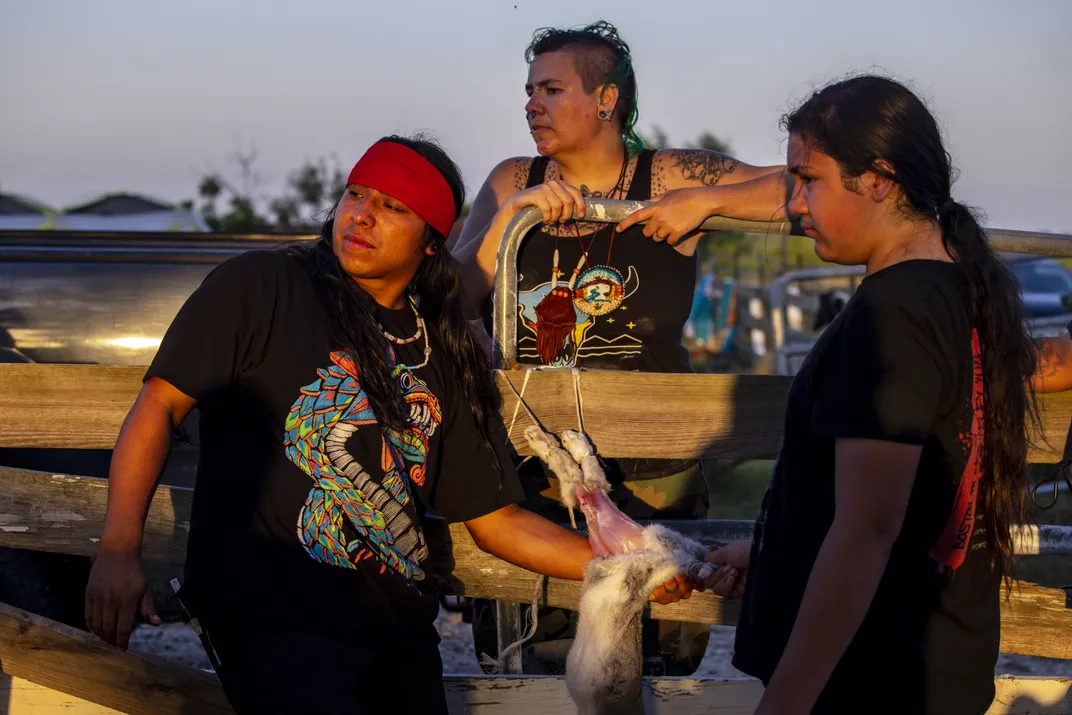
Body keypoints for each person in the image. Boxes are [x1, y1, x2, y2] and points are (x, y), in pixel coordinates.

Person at [83, 134, 693, 715]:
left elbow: (496, 521)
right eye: (356, 194)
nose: (361, 215)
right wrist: (117, 550)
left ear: (432, 240)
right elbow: (158, 407)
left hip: (396, 627)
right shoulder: (262, 286)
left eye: (392, 206)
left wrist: (630, 563)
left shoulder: (441, 349)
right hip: (274, 612)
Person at [453, 19, 792, 677]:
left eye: (551, 89)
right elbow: (455, 299)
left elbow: (802, 184)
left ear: (606, 99)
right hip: (538, 473)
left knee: (656, 670)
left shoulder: (669, 177)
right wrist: (507, 222)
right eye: (529, 90)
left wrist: (707, 203)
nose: (531, 104)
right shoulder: (510, 179)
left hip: (655, 472)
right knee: (538, 670)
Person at [695, 74, 1042, 714]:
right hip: (929, 660)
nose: (792, 204)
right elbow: (908, 503)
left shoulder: (895, 313)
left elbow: (868, 530)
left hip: (873, 679)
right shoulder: (956, 290)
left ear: (878, 180)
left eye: (809, 179)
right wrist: (778, 552)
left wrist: (787, 703)